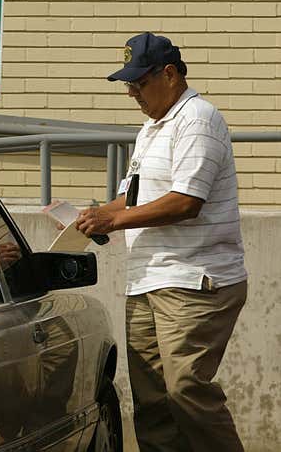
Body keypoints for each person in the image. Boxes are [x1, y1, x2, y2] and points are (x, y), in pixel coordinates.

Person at [75, 32, 248, 452]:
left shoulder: (198, 119)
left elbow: (185, 202)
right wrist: (94, 215)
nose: (132, 91)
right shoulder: (152, 128)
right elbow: (133, 198)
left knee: (187, 390)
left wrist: (113, 220)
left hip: (194, 280)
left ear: (169, 74)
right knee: (152, 403)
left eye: (139, 81)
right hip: (148, 280)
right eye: (128, 84)